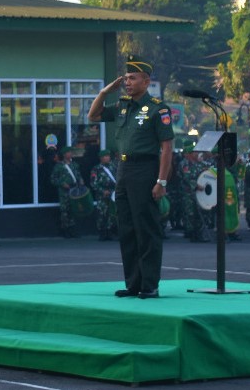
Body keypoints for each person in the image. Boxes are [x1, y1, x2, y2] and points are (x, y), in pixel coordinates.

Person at [88, 57, 173, 299]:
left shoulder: (158, 108)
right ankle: (133, 283)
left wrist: (161, 181)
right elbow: (93, 116)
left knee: (146, 228)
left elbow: (166, 148)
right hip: (123, 170)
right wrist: (105, 91)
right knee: (126, 228)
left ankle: (150, 284)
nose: (127, 82)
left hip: (145, 169)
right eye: (125, 78)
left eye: (132, 78)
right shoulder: (123, 106)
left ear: (146, 81)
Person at [52, 146, 89, 238]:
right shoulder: (59, 166)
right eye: (68, 152)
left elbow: (78, 175)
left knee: (73, 209)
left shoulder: (74, 165)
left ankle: (72, 230)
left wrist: (81, 180)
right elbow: (53, 179)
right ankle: (65, 230)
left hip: (74, 190)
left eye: (71, 152)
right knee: (65, 211)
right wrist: (62, 183)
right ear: (64, 154)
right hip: (64, 192)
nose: (70, 154)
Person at [90, 147, 119, 241]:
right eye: (105, 156)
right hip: (102, 195)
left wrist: (123, 154)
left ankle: (109, 231)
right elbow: (93, 183)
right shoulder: (96, 169)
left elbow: (124, 158)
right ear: (101, 158)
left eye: (108, 156)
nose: (107, 158)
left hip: (112, 193)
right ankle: (102, 233)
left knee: (111, 213)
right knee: (102, 213)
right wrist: (102, 191)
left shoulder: (113, 166)